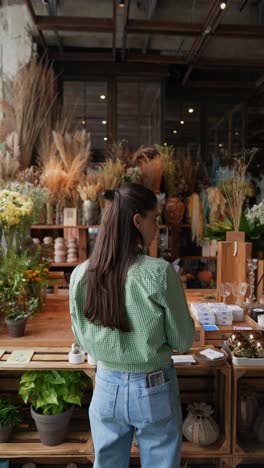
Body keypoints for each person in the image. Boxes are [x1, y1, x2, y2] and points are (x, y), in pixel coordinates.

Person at [69, 183, 194, 468]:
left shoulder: (80, 275)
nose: (157, 226)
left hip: (106, 386)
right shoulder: (159, 273)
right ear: (137, 221)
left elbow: (81, 337)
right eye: (155, 218)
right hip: (154, 389)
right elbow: (183, 341)